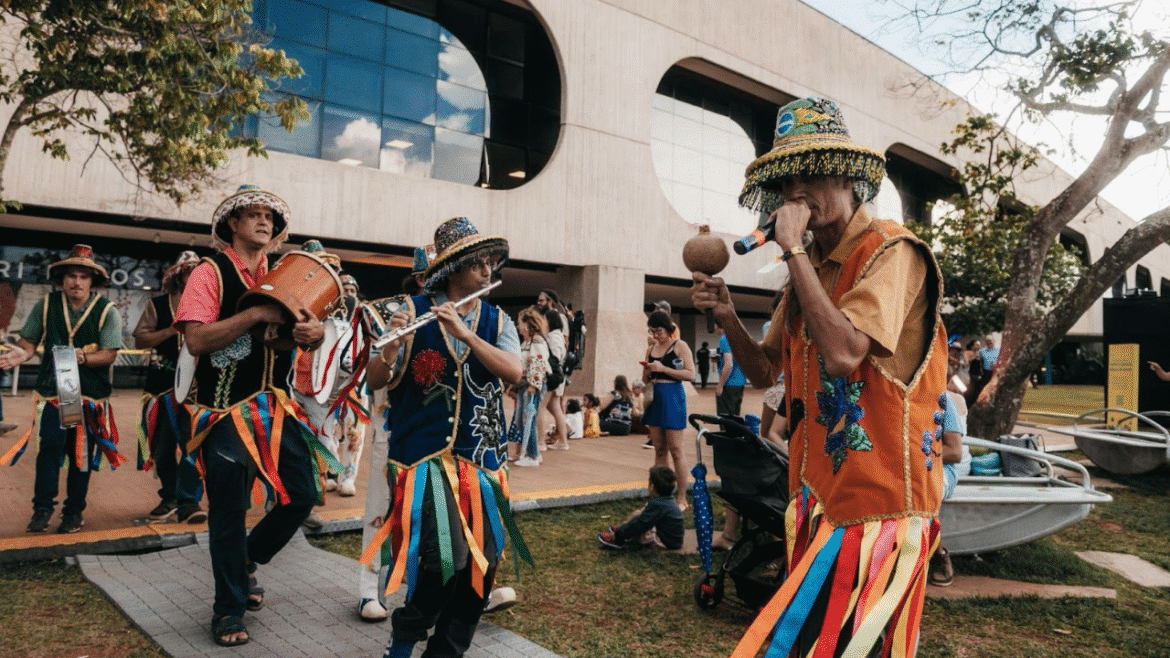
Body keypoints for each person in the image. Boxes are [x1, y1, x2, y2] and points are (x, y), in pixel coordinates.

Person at [692, 97, 947, 658]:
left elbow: (844, 353)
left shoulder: (893, 252)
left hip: (879, 512)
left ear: (849, 175)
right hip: (819, 501)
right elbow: (763, 370)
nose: (796, 192)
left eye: (811, 174)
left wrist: (790, 252)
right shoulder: (803, 273)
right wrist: (727, 314)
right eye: (786, 182)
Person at [174, 185, 335, 647]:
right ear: (233, 223)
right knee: (228, 512)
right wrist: (255, 313)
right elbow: (197, 341)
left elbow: (303, 333)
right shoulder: (210, 272)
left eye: (269, 216)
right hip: (222, 414)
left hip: (274, 411)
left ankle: (246, 560)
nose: (264, 222)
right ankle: (227, 610)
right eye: (253, 215)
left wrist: (314, 332)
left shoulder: (287, 272)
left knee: (303, 495)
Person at [364, 216, 529, 658]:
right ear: (454, 268)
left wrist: (466, 333)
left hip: (483, 461)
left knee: (481, 569)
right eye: (478, 263)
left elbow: (515, 371)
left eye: (491, 262)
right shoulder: (410, 312)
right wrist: (391, 348)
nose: (487, 270)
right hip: (425, 463)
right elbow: (375, 377)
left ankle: (446, 652)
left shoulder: (497, 319)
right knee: (444, 564)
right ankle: (402, 643)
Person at [0, 244, 125, 534]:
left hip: (88, 394)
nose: (76, 282)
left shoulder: (107, 311)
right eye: (71, 275)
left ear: (93, 280)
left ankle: (73, 512)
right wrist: (20, 354)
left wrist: (82, 356)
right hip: (55, 391)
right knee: (49, 449)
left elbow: (109, 354)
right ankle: (42, 509)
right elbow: (28, 342)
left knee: (80, 452)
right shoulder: (46, 305)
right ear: (62, 279)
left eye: (83, 276)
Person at [134, 250, 206, 524]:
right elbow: (140, 340)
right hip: (161, 389)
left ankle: (189, 502)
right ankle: (170, 496)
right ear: (179, 276)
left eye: (200, 272)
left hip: (198, 391)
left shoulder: (212, 305)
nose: (196, 276)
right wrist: (172, 330)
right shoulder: (159, 305)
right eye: (190, 271)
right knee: (161, 448)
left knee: (193, 446)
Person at [641, 310, 695, 511]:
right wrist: (647, 371)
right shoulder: (650, 349)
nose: (656, 335)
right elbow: (645, 378)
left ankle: (682, 497)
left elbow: (690, 374)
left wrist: (663, 369)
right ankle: (660, 494)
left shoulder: (680, 346)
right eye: (652, 331)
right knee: (660, 449)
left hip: (673, 397)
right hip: (655, 397)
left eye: (659, 331)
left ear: (669, 329)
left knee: (676, 449)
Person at [597, 465, 684, 550]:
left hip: (664, 542)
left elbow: (640, 523)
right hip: (673, 540)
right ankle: (622, 528)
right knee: (640, 514)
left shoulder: (658, 505)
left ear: (652, 486)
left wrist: (620, 534)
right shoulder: (667, 500)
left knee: (638, 522)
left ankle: (616, 539)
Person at [507, 306, 550, 466]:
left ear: (526, 325)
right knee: (522, 421)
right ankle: (532, 454)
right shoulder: (528, 342)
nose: (518, 327)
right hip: (525, 386)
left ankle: (532, 456)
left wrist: (534, 384)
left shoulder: (536, 341)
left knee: (527, 420)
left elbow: (539, 363)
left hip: (531, 387)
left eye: (519, 323)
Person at [539, 306, 569, 451]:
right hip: (555, 377)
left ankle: (545, 442)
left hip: (552, 376)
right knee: (555, 408)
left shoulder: (555, 337)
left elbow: (555, 358)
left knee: (541, 407)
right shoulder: (556, 336)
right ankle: (563, 440)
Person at [715, 326, 746, 417]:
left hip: (728, 384)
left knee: (725, 418)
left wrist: (720, 385)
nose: (715, 328)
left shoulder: (724, 338)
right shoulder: (740, 339)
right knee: (735, 417)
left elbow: (729, 364)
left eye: (716, 325)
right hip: (740, 382)